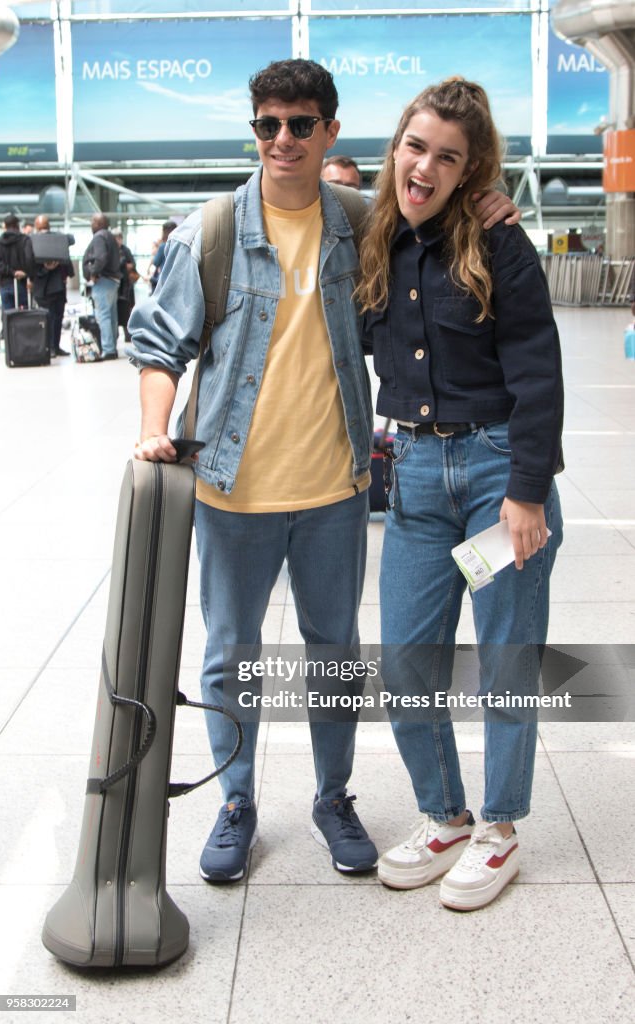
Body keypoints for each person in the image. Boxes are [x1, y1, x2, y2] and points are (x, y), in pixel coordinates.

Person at [128, 60, 519, 886]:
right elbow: (158, 345)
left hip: (337, 490)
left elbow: (439, 211)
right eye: (266, 125)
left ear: (330, 132)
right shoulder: (214, 230)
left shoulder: (360, 221)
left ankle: (333, 796)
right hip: (232, 490)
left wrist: (494, 202)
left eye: (299, 125)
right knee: (232, 655)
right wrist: (153, 431)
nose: (281, 140)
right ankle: (236, 802)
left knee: (334, 654)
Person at [358, 77, 564, 911]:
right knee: (408, 659)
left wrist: (526, 493)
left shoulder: (497, 242)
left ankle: (501, 828)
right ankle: (444, 814)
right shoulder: (372, 234)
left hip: (492, 476)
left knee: (505, 657)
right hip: (413, 477)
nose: (425, 166)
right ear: (396, 149)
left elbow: (538, 371)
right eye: (416, 147)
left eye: (447, 156)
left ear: (471, 169)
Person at [30, 214, 74, 358]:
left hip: (45, 288)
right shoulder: (58, 239)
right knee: (56, 318)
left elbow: (30, 265)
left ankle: (52, 347)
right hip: (56, 287)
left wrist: (45, 268)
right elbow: (70, 244)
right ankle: (53, 347)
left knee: (49, 318)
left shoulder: (33, 241)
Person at [82, 213, 121, 360]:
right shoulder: (110, 236)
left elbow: (100, 257)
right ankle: (112, 347)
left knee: (103, 316)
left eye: (93, 221)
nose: (91, 223)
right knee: (111, 316)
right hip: (113, 280)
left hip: (103, 280)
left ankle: (108, 349)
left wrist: (93, 272)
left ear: (99, 224)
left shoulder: (99, 237)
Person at [0, 213, 30, 311]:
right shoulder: (25, 240)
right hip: (21, 283)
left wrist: (12, 272)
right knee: (23, 315)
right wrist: (24, 273)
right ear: (17, 226)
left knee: (8, 315)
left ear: (5, 226)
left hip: (4, 284)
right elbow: (29, 259)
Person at [113, 231, 138, 344]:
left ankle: (127, 334)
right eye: (116, 238)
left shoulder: (125, 250)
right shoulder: (111, 250)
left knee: (127, 310)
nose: (118, 240)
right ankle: (116, 334)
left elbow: (132, 264)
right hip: (116, 285)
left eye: (119, 237)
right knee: (116, 310)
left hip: (126, 286)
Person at [147, 221, 176, 293]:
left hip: (164, 280)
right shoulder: (178, 245)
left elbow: (156, 262)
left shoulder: (163, 246)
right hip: (176, 279)